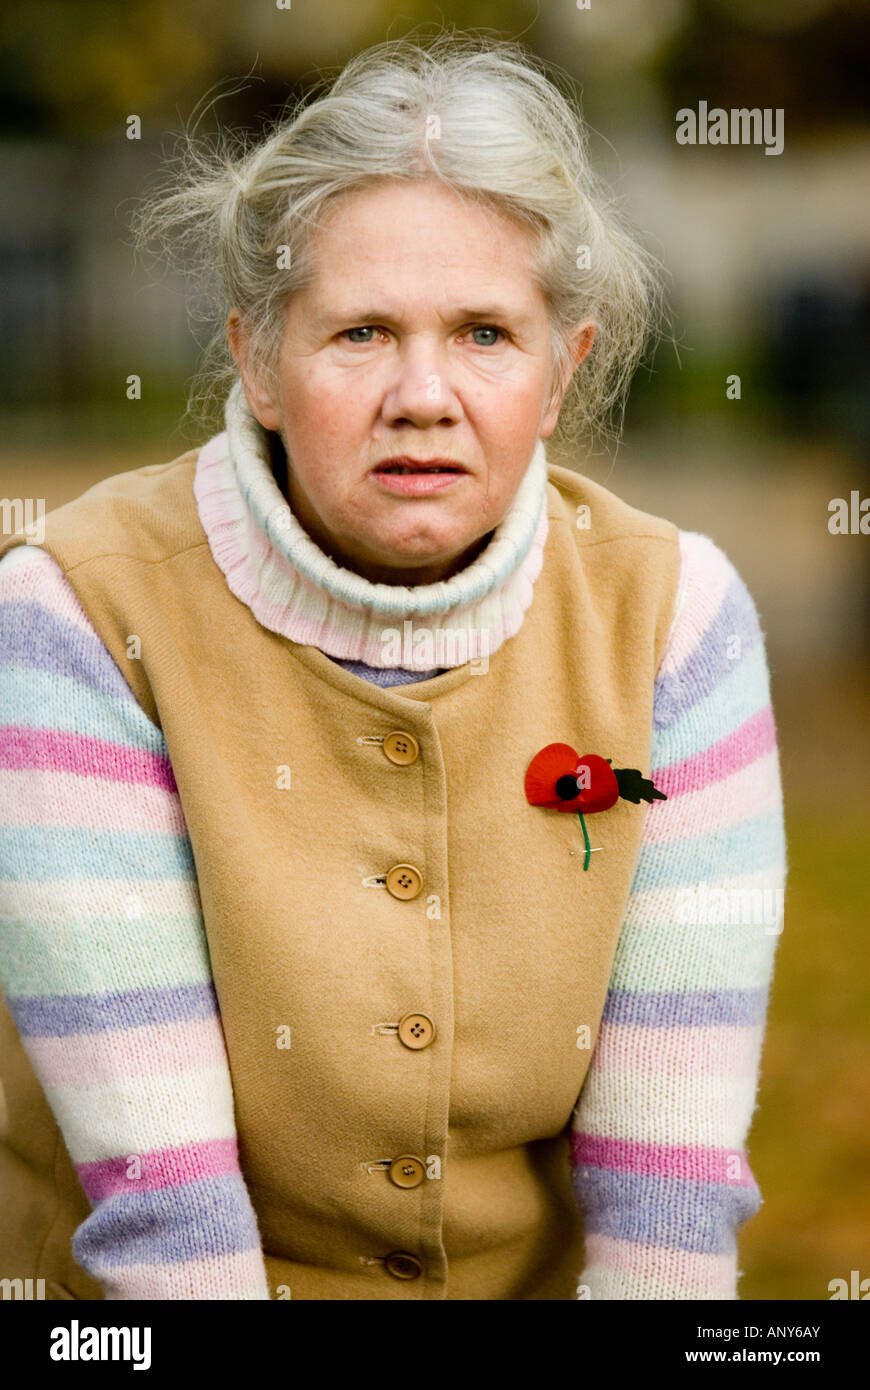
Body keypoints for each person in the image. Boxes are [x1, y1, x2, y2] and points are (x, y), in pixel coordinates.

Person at [0, 35, 785, 1300]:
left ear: (562, 368)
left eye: (485, 333)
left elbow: (669, 1209)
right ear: (256, 360)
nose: (424, 394)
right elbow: (168, 1224)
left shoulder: (678, 618)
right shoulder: (80, 609)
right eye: (359, 332)